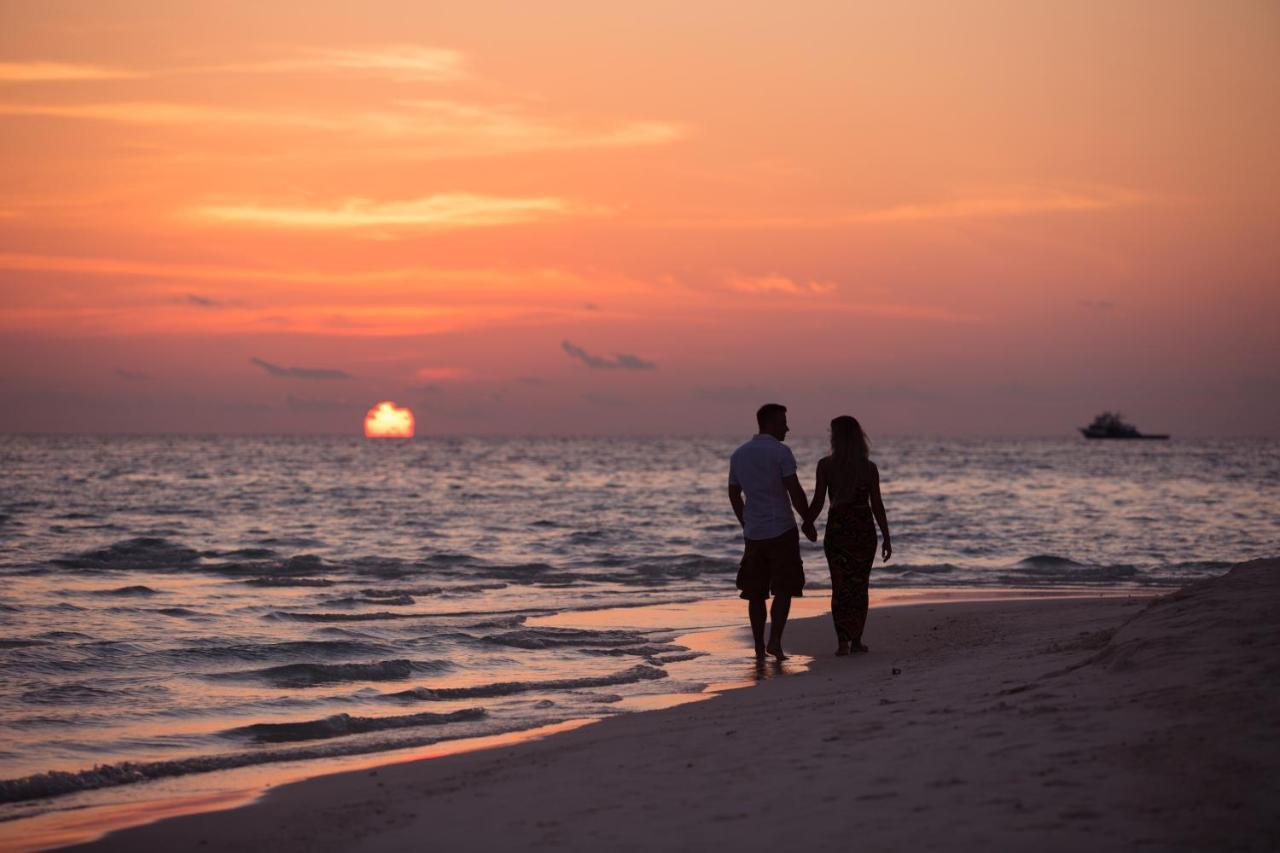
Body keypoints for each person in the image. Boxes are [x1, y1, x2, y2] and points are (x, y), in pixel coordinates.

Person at [728, 403, 817, 661]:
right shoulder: (781, 452)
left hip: (754, 532)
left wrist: (745, 521)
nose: (787, 428)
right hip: (782, 529)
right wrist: (808, 521)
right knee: (784, 588)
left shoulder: (739, 454)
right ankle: (775, 641)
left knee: (755, 592)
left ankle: (758, 646)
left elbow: (734, 493)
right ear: (769, 423)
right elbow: (795, 490)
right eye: (783, 422)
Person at [807, 415, 891, 656]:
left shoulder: (826, 466)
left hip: (838, 532)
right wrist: (886, 537)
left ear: (838, 438)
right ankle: (856, 641)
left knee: (840, 586)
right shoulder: (868, 468)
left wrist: (807, 523)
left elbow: (819, 501)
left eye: (832, 433)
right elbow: (877, 506)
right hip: (863, 532)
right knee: (859, 587)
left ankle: (843, 643)